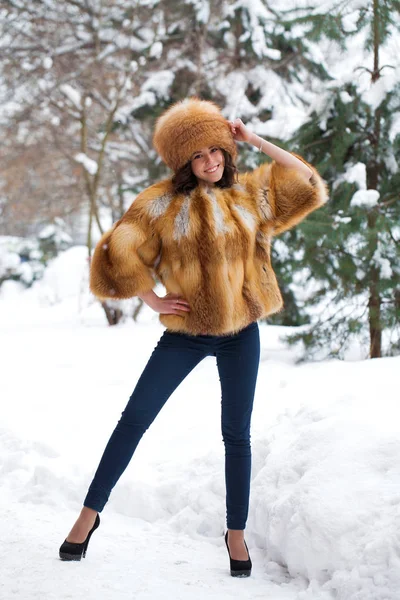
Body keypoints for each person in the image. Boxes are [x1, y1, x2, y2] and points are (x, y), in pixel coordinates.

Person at [59, 98, 328, 577]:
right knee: (134, 419)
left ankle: (236, 533)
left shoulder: (247, 196)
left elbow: (305, 179)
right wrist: (153, 299)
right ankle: (88, 514)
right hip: (185, 335)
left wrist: (252, 139)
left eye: (217, 150)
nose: (211, 161)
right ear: (183, 163)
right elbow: (115, 255)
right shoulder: (159, 203)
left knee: (236, 435)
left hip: (241, 333)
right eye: (198, 156)